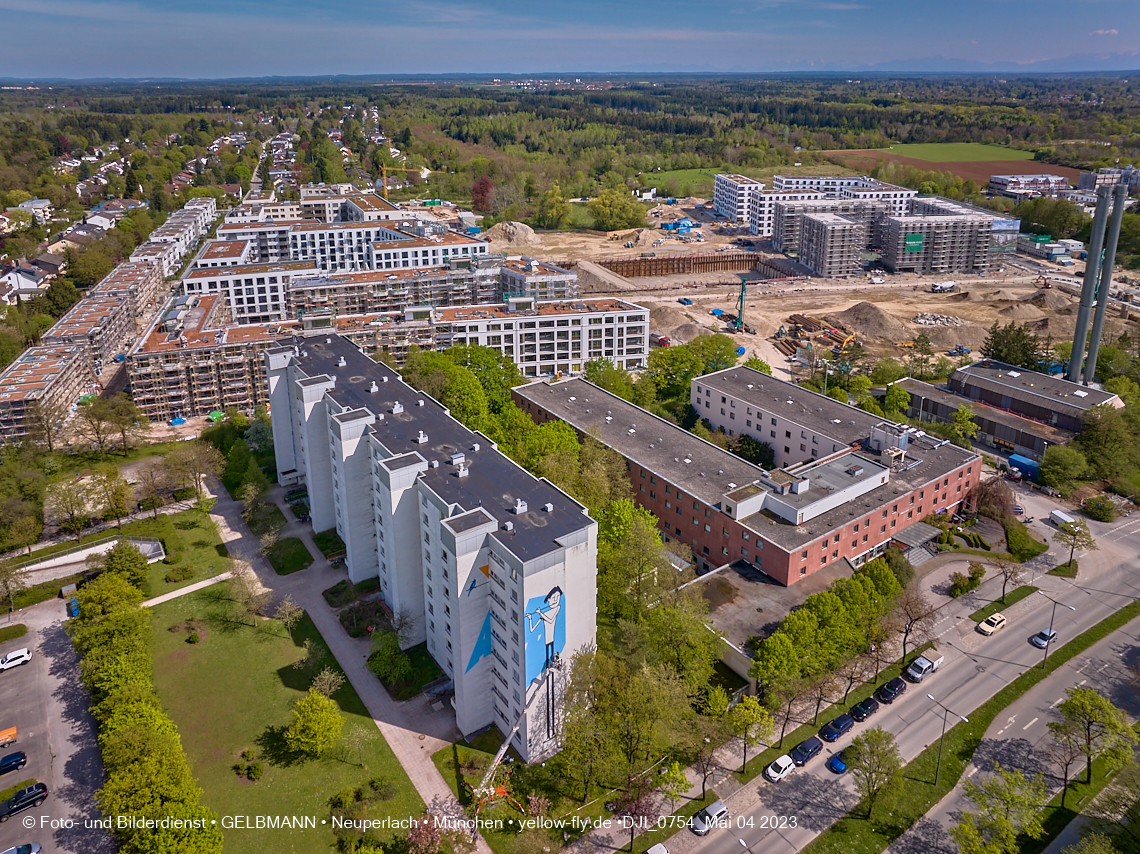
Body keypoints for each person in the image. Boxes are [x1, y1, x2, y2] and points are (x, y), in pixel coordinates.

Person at [527, 587, 563, 670]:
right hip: (546, 640)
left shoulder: (557, 608)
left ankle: (553, 666)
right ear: (548, 600)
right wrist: (530, 618)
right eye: (553, 598)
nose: (556, 600)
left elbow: (550, 620)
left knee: (552, 656)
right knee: (548, 658)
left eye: (558, 597)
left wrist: (540, 613)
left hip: (552, 639)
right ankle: (549, 666)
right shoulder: (545, 613)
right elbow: (532, 629)